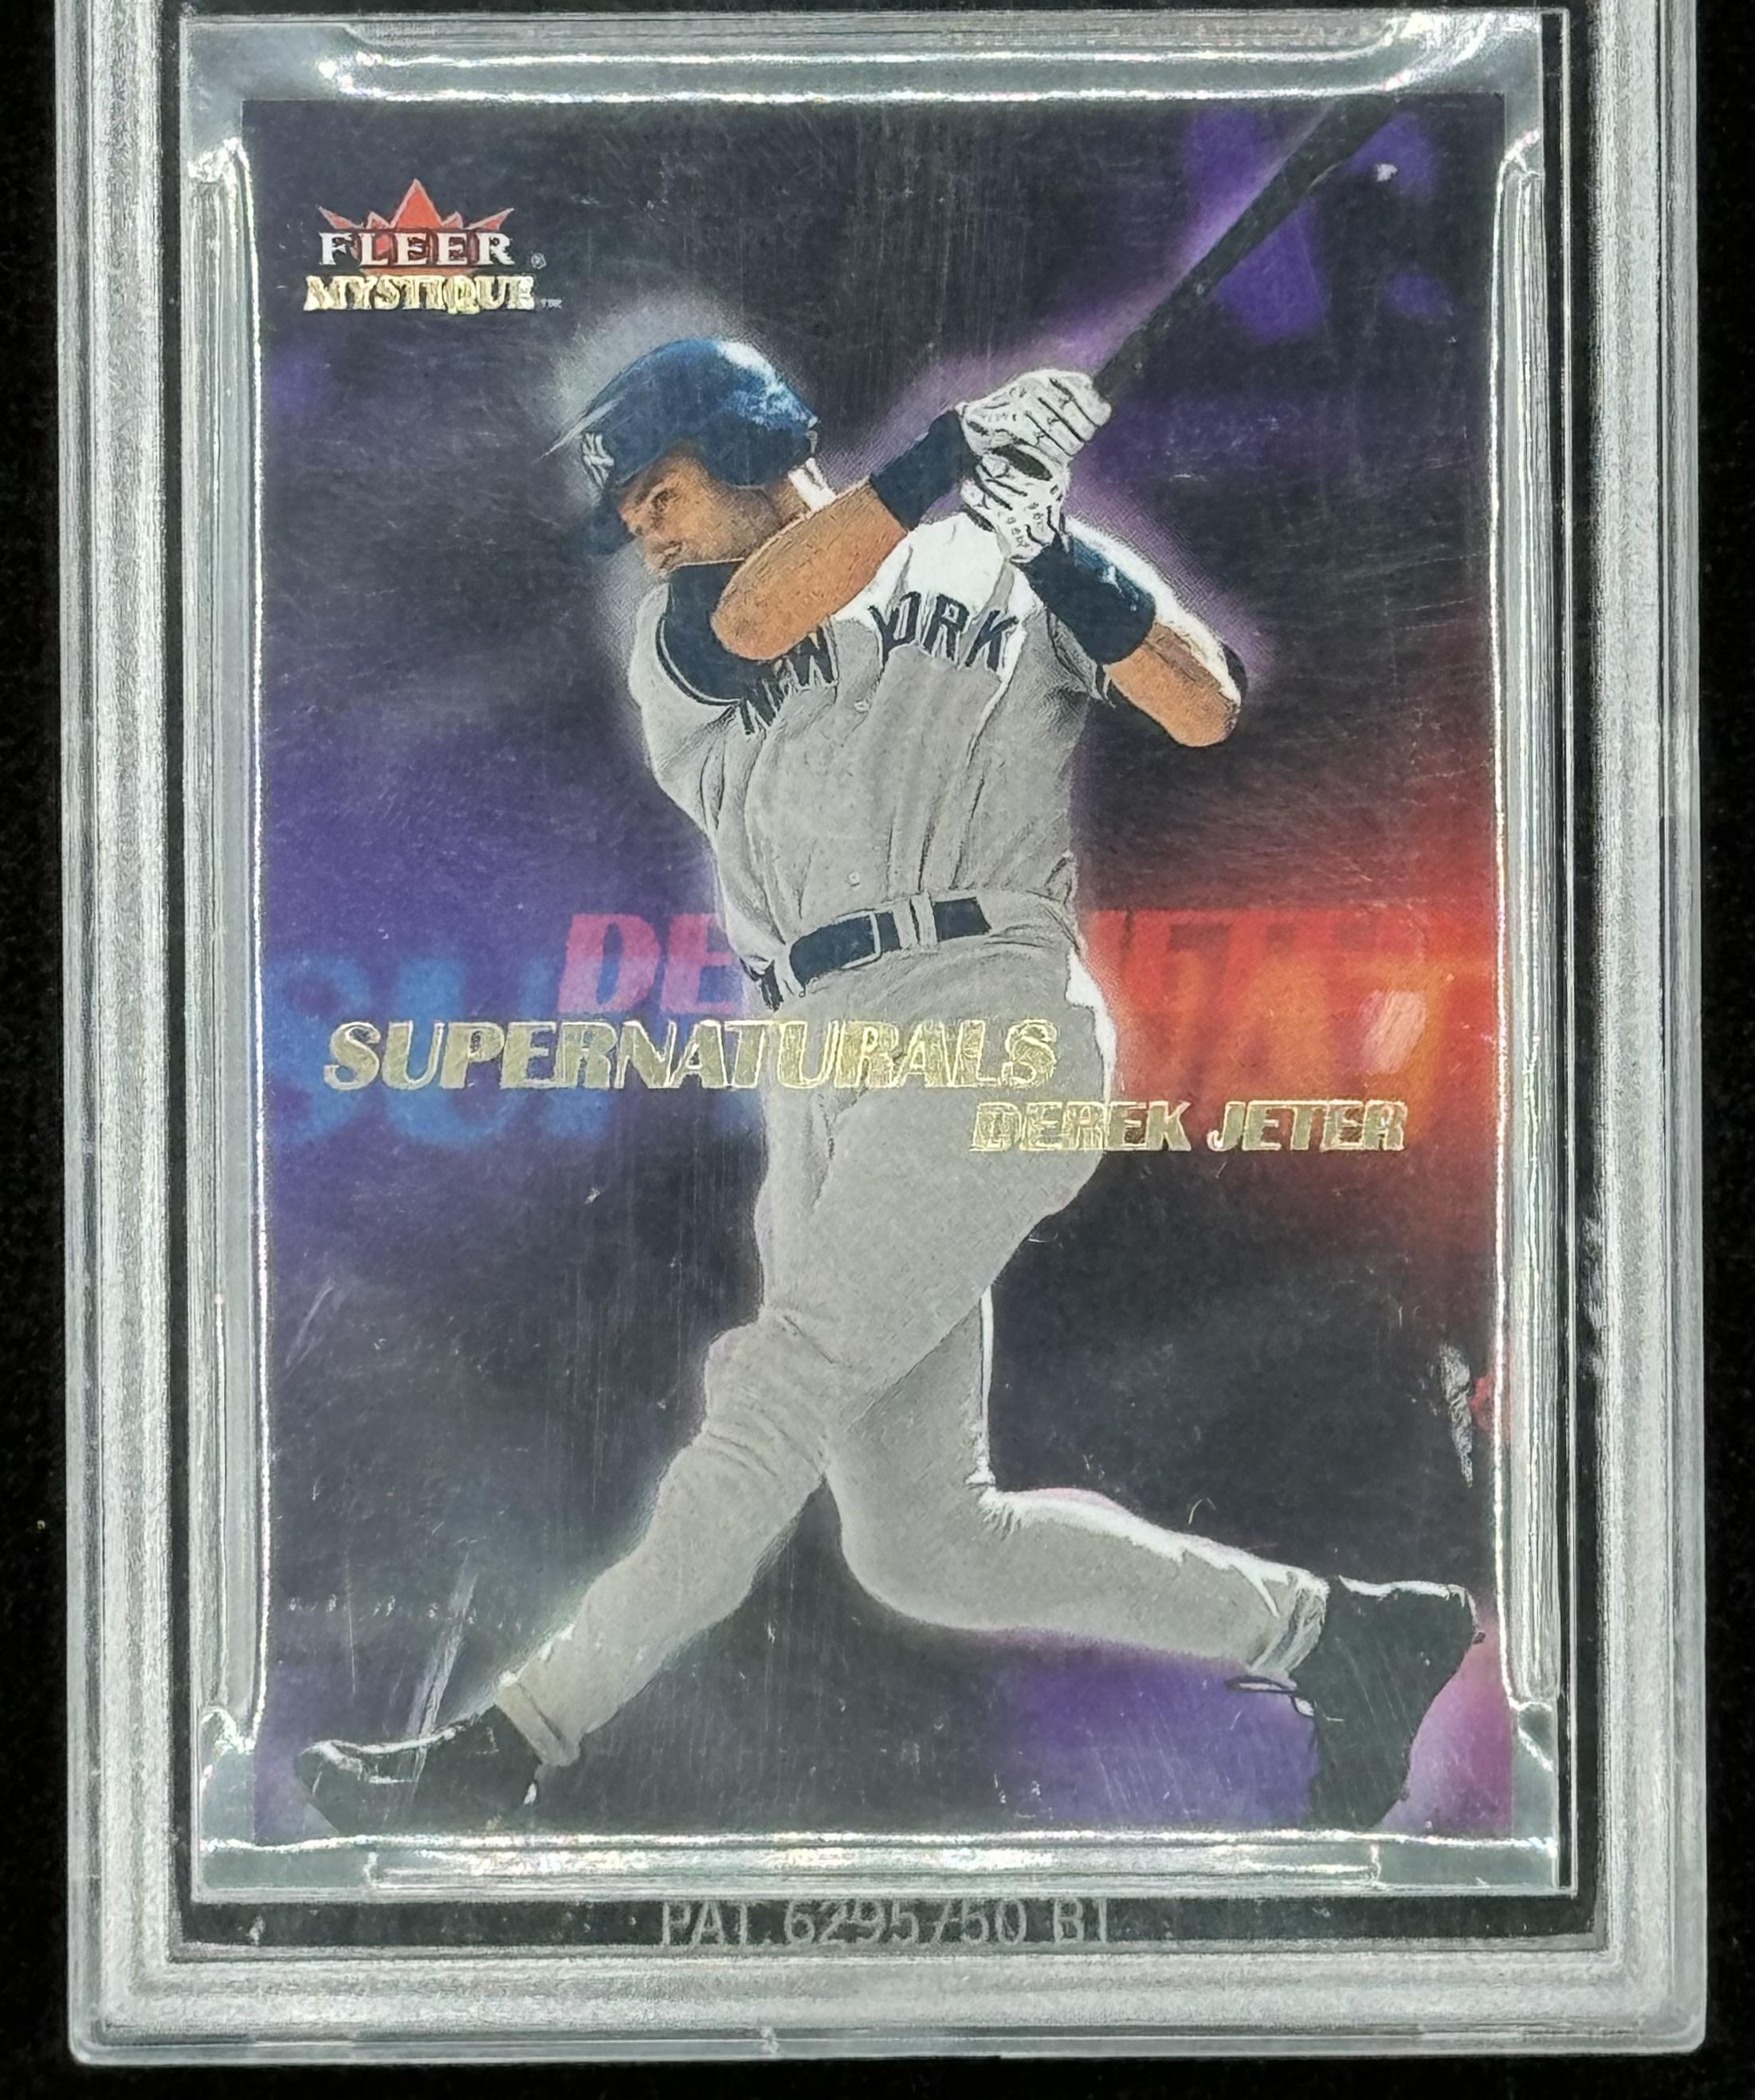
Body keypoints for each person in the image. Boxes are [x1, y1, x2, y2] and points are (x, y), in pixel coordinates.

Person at [298, 338, 1474, 1838]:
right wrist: (943, 461)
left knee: (778, 1383)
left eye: (658, 491)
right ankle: (1340, 1635)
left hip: (989, 1016)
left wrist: (1050, 545)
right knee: (922, 1543)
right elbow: (756, 613)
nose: (644, 530)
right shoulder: (687, 626)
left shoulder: (999, 554)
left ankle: (514, 1741)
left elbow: (1203, 703)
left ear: (742, 441)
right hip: (823, 1056)